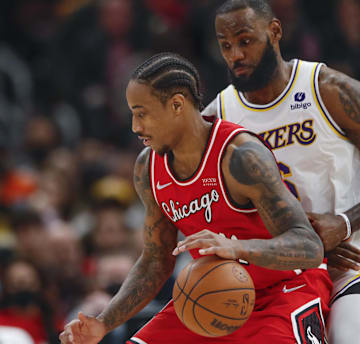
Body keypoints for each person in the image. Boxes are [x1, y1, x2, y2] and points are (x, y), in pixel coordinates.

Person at [59, 52, 332, 344]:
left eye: (142, 113)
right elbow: (155, 262)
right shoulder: (148, 167)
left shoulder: (240, 156)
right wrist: (103, 323)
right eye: (132, 114)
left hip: (284, 290)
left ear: (177, 104)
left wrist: (237, 248)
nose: (135, 127)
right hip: (209, 297)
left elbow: (309, 246)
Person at [201, 0, 360, 343]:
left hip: (349, 267)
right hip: (278, 279)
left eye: (245, 41)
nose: (235, 55)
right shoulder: (217, 117)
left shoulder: (326, 90)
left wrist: (347, 221)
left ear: (274, 31)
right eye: (225, 46)